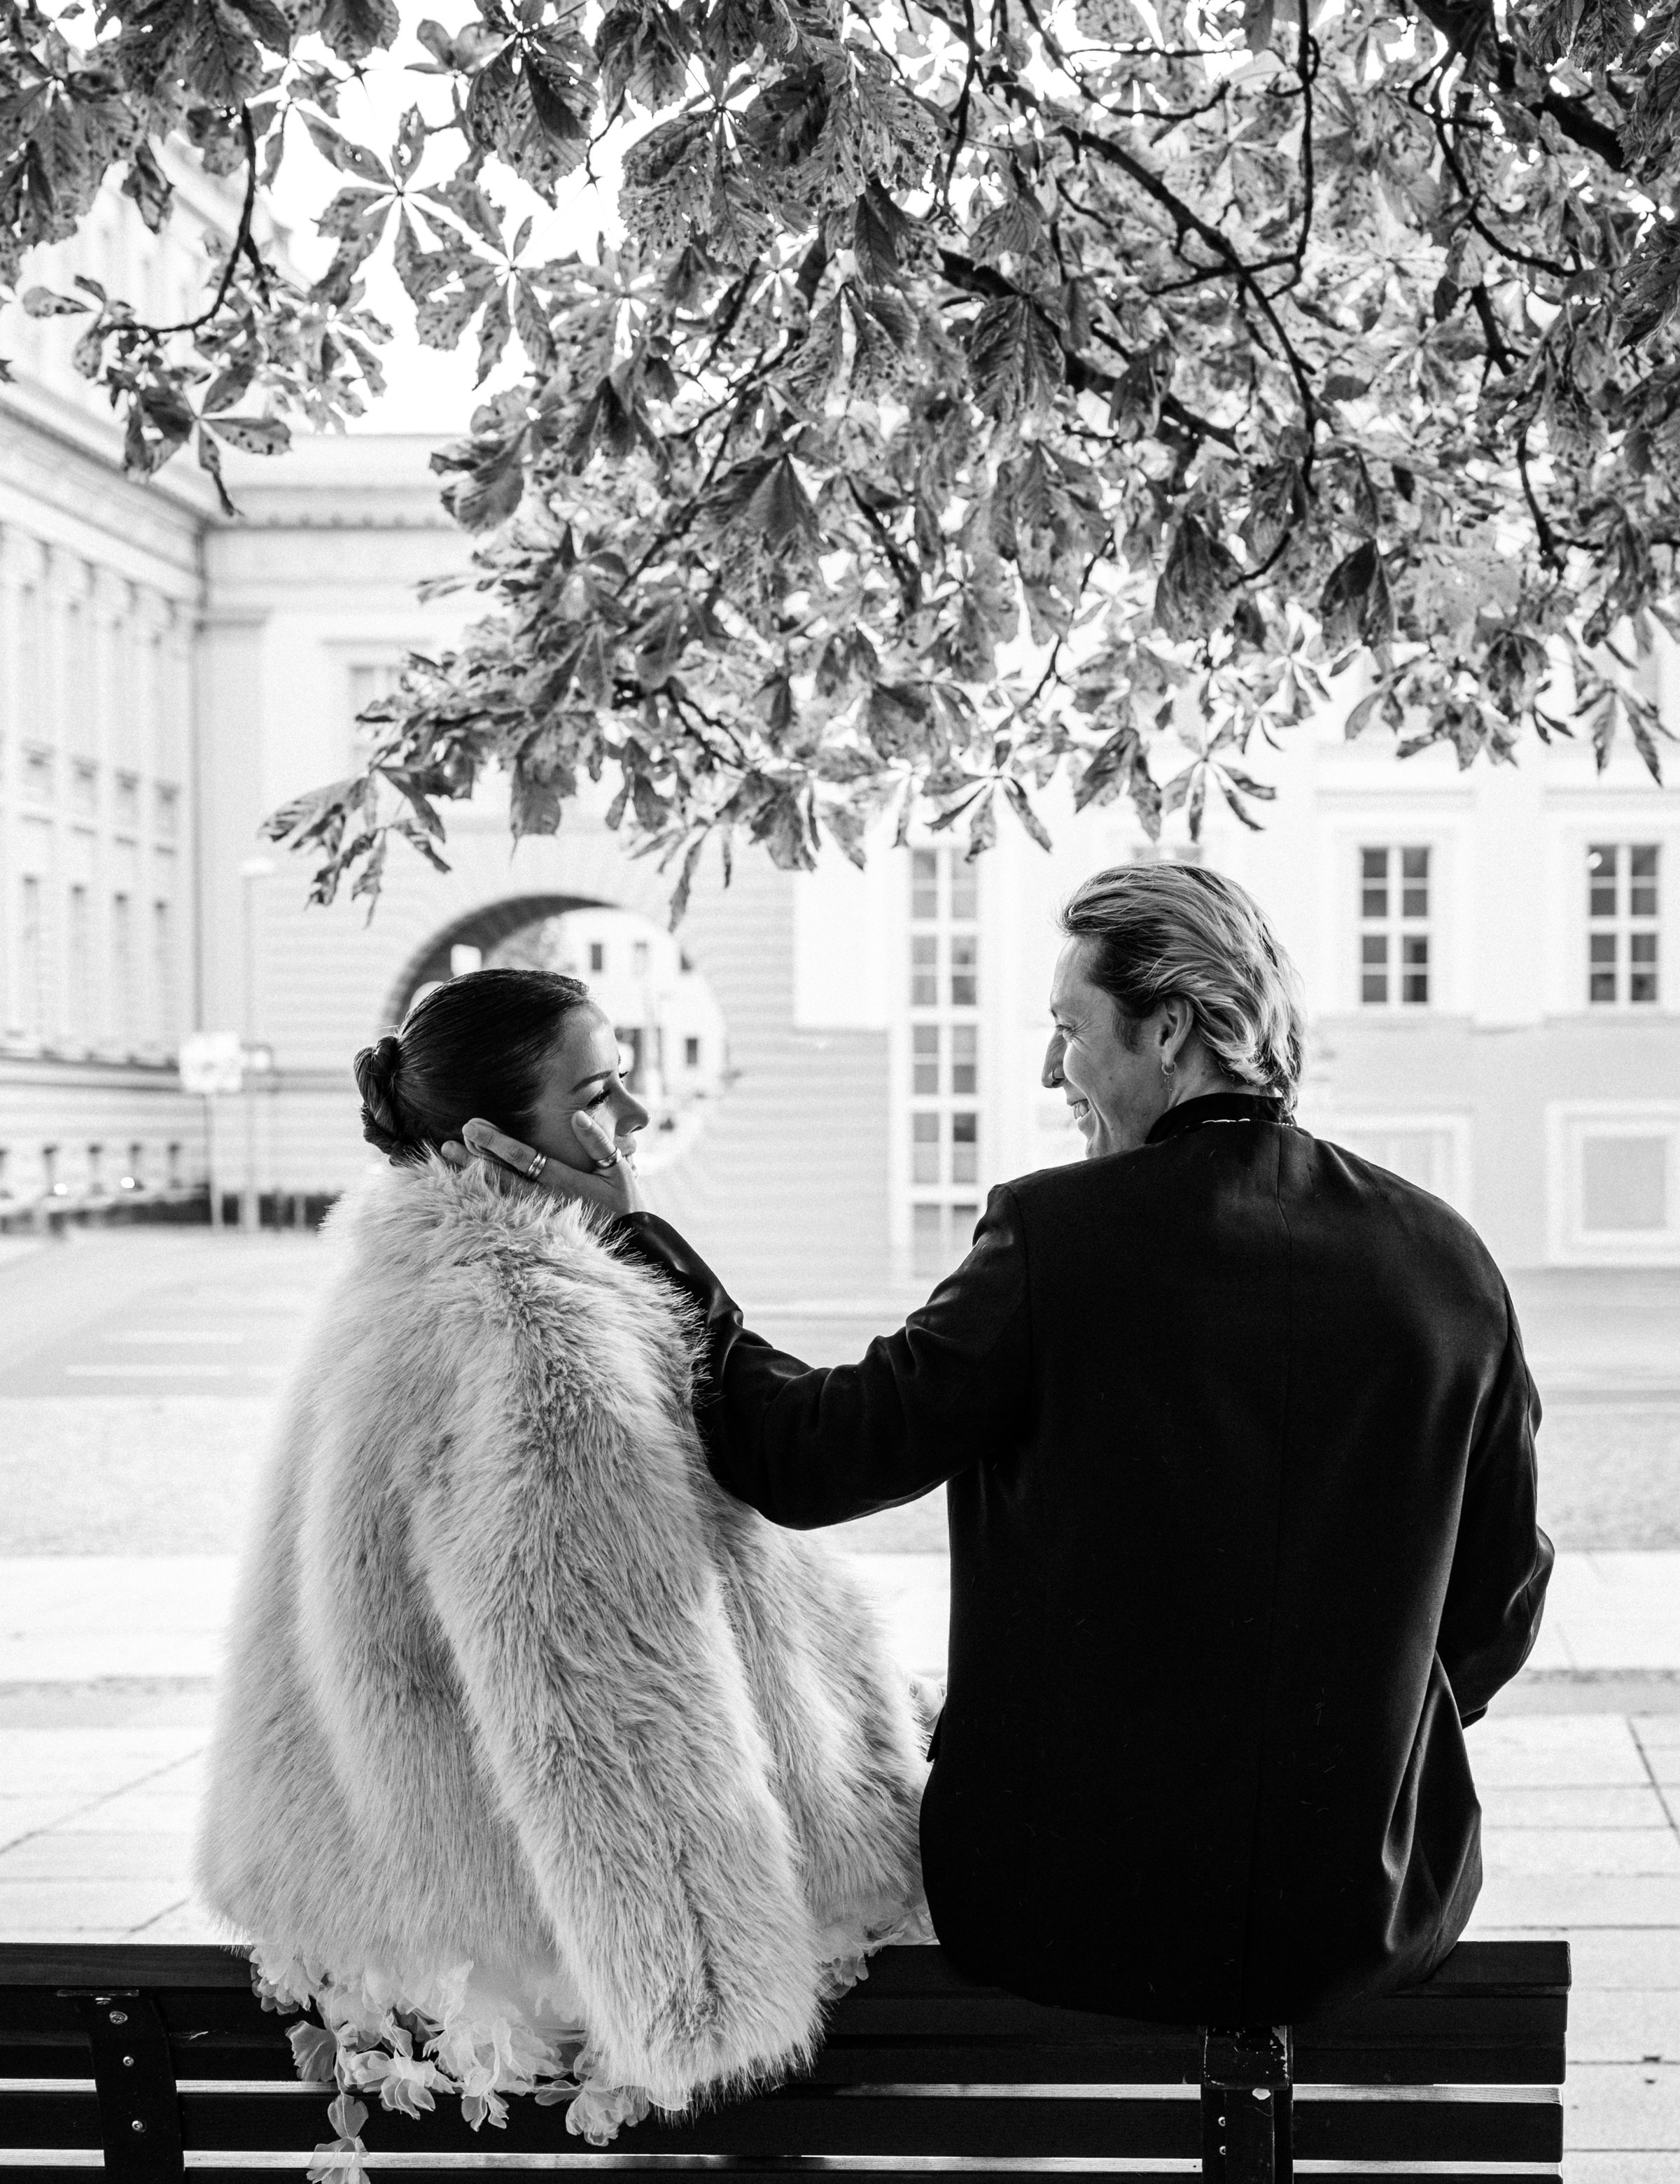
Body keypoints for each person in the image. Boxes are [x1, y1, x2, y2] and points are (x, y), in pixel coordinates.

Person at [465, 865, 1553, 2033]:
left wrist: (634, 1238)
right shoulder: (1445, 1260)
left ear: (1172, 1029)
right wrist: (1338, 1747)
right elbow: (1498, 1605)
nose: (1050, 1071)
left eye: (1067, 1029)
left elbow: (809, 1455)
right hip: (1368, 1913)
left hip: (1071, 1917)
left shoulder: (1058, 1240)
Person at [195, 968, 929, 2184]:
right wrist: (696, 1987)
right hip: (548, 1958)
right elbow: (602, 1693)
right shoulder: (540, 1326)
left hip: (395, 1893)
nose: (633, 1120)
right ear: (493, 1143)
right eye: (596, 1095)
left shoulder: (393, 1283)